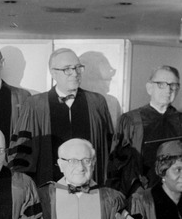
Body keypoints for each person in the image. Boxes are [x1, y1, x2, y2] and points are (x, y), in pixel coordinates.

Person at [9, 48, 113, 186]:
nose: (75, 74)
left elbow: (109, 148)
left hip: (91, 187)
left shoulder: (96, 103)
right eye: (67, 69)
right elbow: (22, 151)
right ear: (53, 73)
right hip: (48, 189)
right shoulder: (35, 105)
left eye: (77, 68)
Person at [107, 65, 182, 198]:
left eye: (173, 85)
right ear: (149, 88)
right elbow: (116, 166)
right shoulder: (130, 121)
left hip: (178, 196)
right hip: (141, 195)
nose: (168, 90)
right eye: (161, 84)